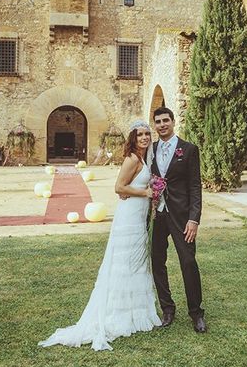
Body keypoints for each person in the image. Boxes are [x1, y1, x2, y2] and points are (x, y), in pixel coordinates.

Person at [38, 121, 161, 351]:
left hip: (139, 214)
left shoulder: (145, 159)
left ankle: (136, 311)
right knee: (124, 262)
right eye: (140, 134)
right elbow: (119, 187)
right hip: (129, 217)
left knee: (136, 262)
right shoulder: (133, 159)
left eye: (147, 134)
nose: (144, 138)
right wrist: (145, 192)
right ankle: (119, 313)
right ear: (133, 138)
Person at [150, 107, 206, 333]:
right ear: (154, 125)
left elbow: (195, 186)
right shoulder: (150, 150)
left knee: (188, 262)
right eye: (158, 121)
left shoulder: (189, 150)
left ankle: (196, 313)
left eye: (165, 120)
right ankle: (168, 309)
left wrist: (194, 219)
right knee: (157, 262)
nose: (162, 124)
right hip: (156, 215)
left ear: (173, 122)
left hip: (182, 216)